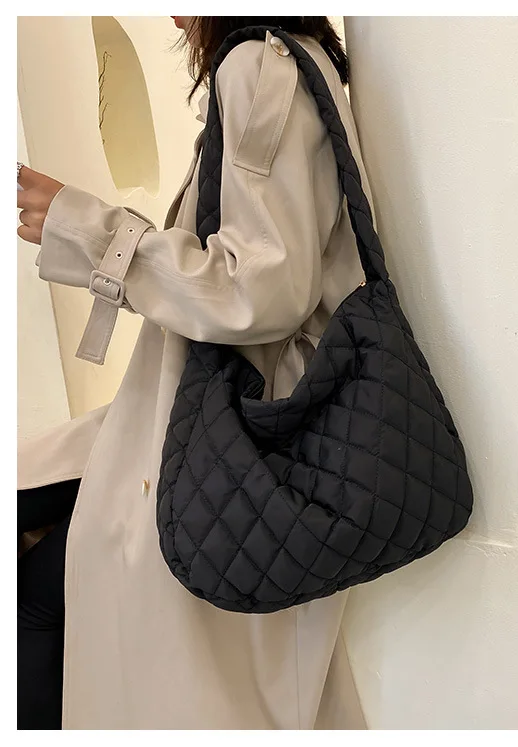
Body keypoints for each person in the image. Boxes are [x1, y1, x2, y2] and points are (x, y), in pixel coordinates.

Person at [17, 16, 371, 730]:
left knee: (47, 590)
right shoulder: (285, 60)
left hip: (236, 423)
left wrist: (90, 231)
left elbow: (262, 290)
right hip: (208, 410)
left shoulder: (257, 67)